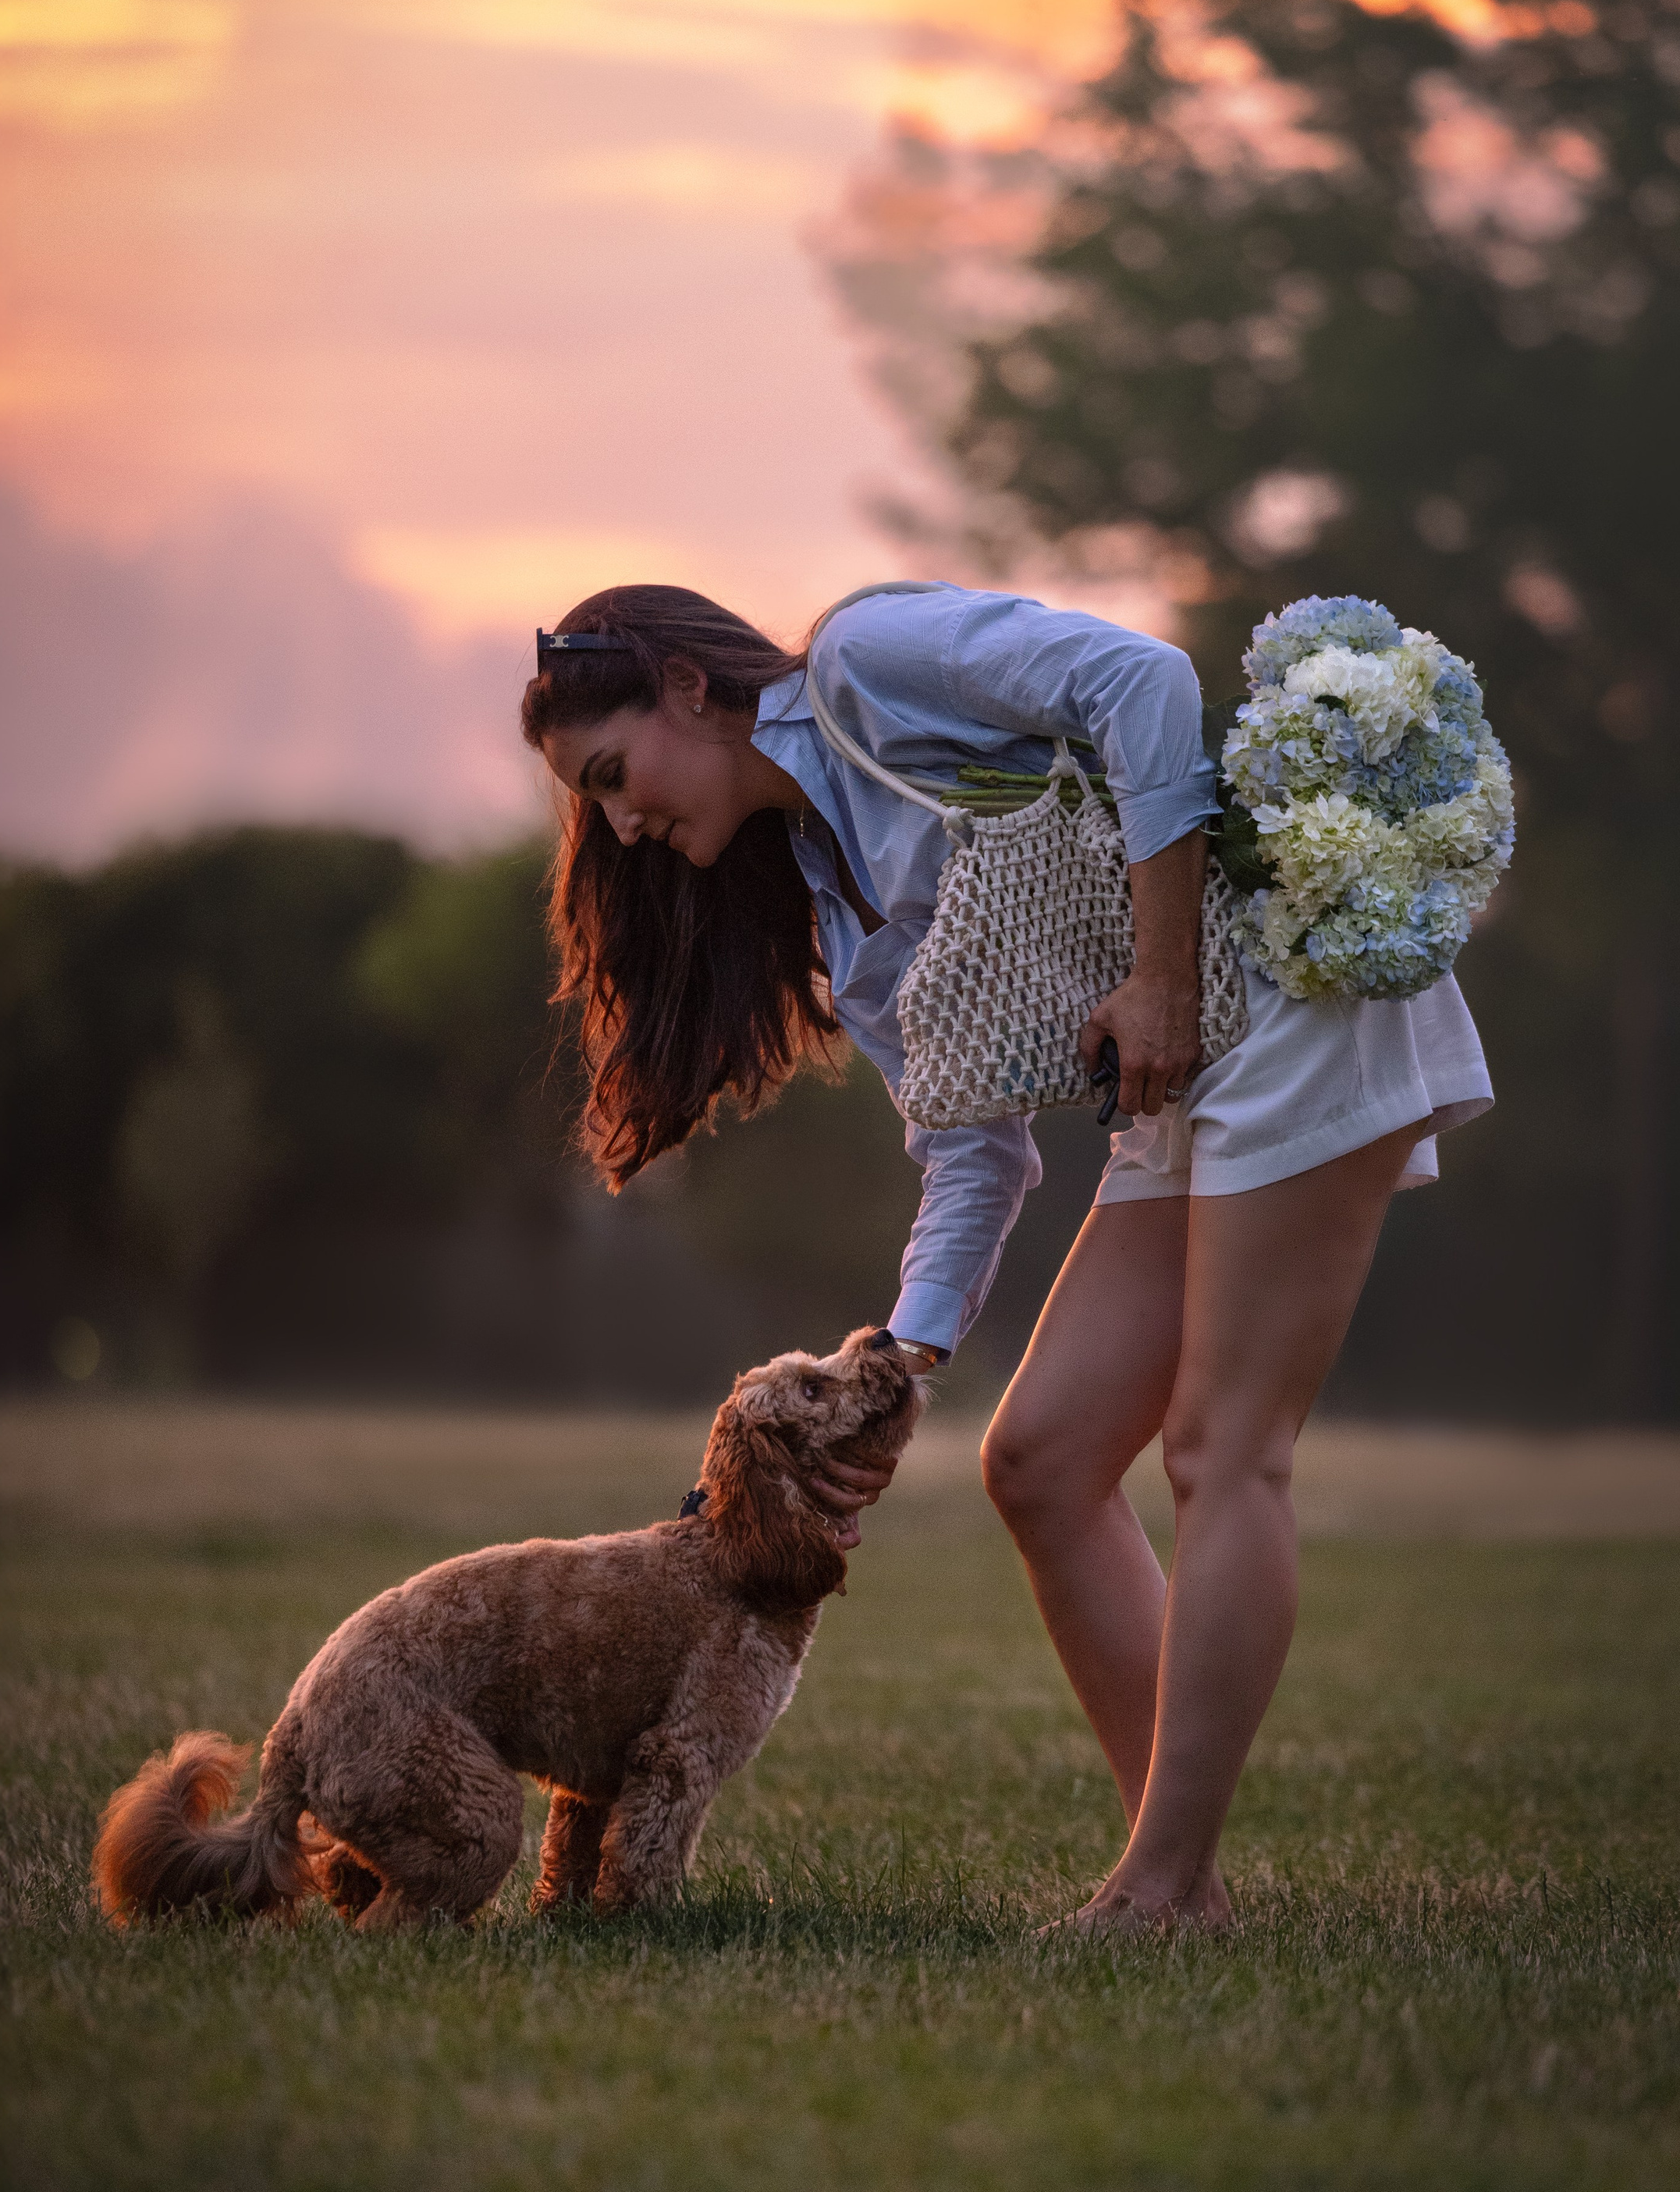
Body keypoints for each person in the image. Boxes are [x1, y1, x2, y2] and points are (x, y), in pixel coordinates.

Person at [521, 581, 1490, 1933]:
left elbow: (1145, 684)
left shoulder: (865, 665)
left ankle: (1156, 1886)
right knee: (1037, 1460)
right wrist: (894, 1370)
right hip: (1181, 1070)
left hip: (1280, 1000)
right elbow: (976, 1150)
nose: (620, 823)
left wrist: (1154, 981)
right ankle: (1187, 1882)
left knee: (1219, 1446)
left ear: (689, 686)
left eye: (613, 775)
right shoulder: (841, 918)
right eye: (596, 804)